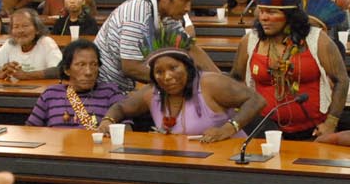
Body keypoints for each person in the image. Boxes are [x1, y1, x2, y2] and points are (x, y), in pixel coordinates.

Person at [228, 0, 348, 140]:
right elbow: (235, 79)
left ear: (290, 16)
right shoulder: (250, 41)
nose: (263, 17)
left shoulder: (317, 40)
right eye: (262, 11)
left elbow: (342, 80)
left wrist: (331, 124)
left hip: (313, 131)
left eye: (272, 12)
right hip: (263, 130)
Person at [101, 36, 262, 141]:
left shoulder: (209, 84)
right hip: (184, 165)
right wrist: (107, 120)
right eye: (159, 72)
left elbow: (256, 100)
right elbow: (120, 107)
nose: (167, 77)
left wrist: (228, 128)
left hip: (227, 160)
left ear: (187, 67)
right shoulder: (153, 93)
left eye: (173, 68)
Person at [93, 0, 205, 90]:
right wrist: (181, 81)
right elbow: (131, 67)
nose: (188, 8)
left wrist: (219, 79)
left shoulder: (168, 14)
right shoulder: (137, 13)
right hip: (105, 88)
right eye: (184, 1)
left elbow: (190, 48)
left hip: (126, 86)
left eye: (191, 2)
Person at [0, 8, 61, 82]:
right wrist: (1, 74)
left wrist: (26, 75)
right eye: (16, 27)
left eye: (25, 26)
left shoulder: (46, 42)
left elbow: (58, 70)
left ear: (37, 29)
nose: (20, 31)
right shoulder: (10, 43)